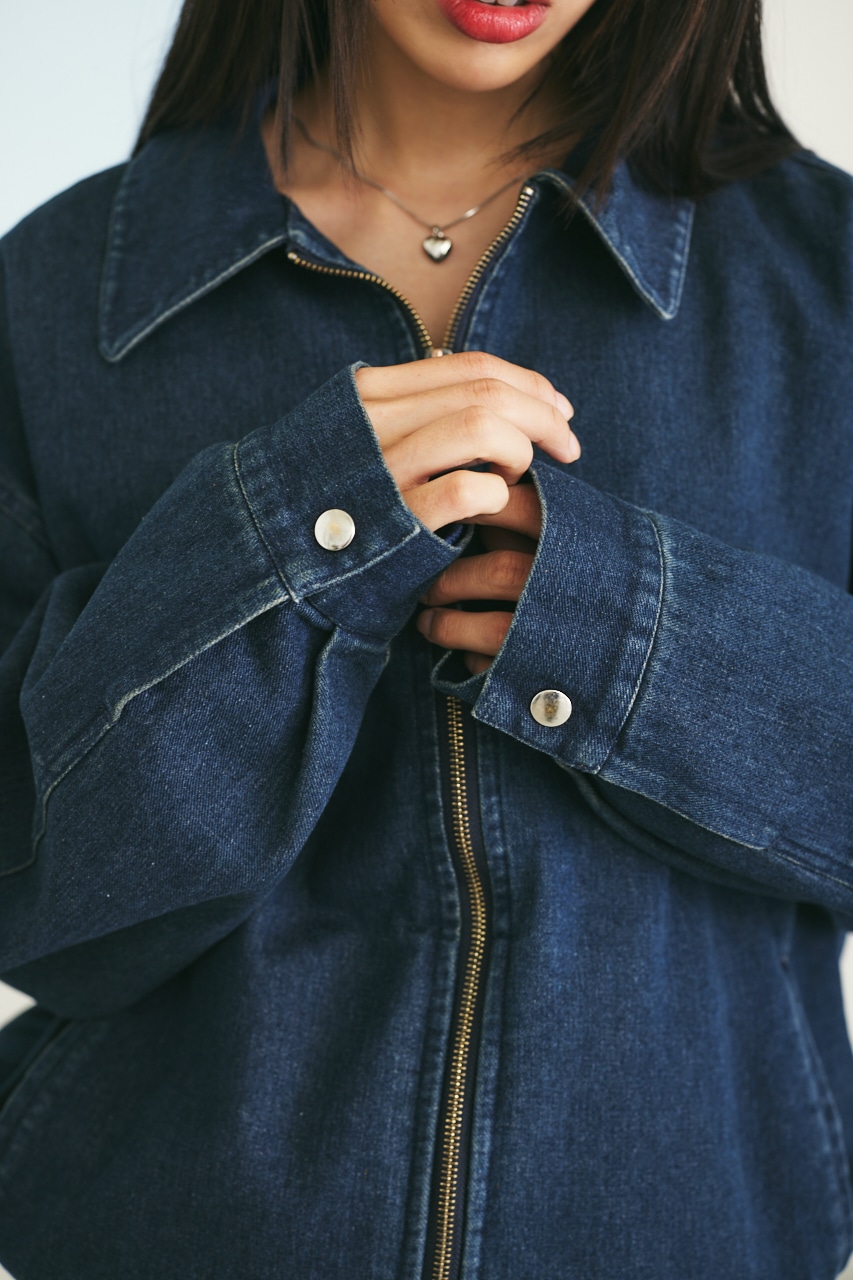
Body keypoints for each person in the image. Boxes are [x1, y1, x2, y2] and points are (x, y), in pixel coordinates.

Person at [0, 0, 851, 1276]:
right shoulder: (52, 296)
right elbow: (33, 894)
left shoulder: (825, 277)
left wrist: (618, 624)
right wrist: (297, 525)